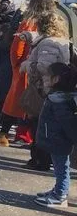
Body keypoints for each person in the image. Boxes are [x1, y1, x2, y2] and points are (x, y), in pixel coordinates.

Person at [0, 0, 54, 147]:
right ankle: (25, 136)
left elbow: (17, 47)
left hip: (25, 67)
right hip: (42, 67)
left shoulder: (29, 22)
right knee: (32, 104)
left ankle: (6, 134)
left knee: (18, 102)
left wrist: (16, 64)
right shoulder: (51, 23)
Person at [20, 10, 71, 171]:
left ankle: (40, 160)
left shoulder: (48, 43)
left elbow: (44, 67)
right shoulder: (60, 40)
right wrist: (28, 36)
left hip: (44, 89)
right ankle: (43, 159)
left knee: (40, 126)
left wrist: (27, 65)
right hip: (55, 89)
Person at [33, 62, 77, 208]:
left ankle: (60, 195)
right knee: (60, 168)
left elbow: (69, 124)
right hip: (55, 139)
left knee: (62, 168)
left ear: (56, 79)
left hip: (59, 140)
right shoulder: (56, 96)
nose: (45, 78)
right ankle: (58, 189)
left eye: (47, 75)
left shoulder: (61, 101)